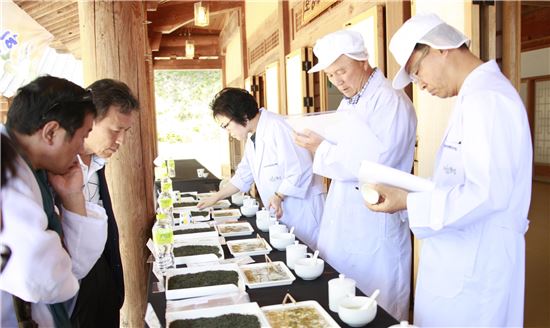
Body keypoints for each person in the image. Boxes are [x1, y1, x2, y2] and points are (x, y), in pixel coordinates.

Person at [367, 13, 532, 327]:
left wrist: (407, 201)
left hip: (478, 269)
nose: (421, 84)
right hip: (462, 259)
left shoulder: (489, 101)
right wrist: (412, 193)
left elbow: (486, 194)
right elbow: (462, 180)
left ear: (440, 47)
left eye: (417, 71)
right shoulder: (474, 97)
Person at [293, 29, 417, 320]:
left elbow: (376, 162)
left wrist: (321, 148)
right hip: (346, 217)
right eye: (331, 75)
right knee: (343, 302)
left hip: (375, 221)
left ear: (363, 61)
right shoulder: (350, 101)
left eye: (342, 71)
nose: (338, 81)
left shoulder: (390, 102)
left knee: (378, 306)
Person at [1, 76, 108, 327]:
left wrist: (72, 197)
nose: (82, 148)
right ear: (51, 132)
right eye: (82, 136)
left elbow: (75, 268)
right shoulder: (7, 172)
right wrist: (63, 269)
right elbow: (43, 275)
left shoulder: (33, 169)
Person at [197, 87, 325, 248]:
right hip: (283, 211)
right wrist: (216, 197)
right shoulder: (253, 138)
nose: (228, 132)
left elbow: (301, 168)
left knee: (309, 256)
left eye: (226, 126)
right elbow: (243, 176)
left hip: (303, 211)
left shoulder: (278, 126)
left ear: (242, 115)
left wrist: (279, 195)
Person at [71, 79, 140, 327]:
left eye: (126, 132)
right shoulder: (57, 168)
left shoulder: (98, 163)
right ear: (88, 120)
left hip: (103, 273)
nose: (121, 140)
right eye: (114, 130)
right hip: (71, 287)